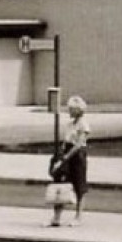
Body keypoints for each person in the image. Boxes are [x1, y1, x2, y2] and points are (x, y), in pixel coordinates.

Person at [48, 95, 91, 227]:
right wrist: (60, 157)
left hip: (77, 156)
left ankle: (78, 216)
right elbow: (65, 142)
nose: (69, 111)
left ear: (78, 110)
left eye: (72, 109)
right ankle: (56, 216)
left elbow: (79, 144)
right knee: (61, 184)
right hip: (66, 153)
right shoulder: (69, 124)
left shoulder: (83, 124)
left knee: (79, 186)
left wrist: (67, 157)